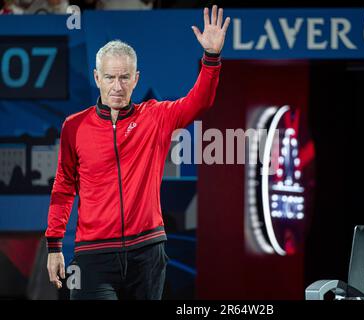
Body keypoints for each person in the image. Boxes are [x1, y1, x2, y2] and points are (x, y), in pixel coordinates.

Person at [46, 5, 230, 300]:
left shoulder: (156, 116)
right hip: (93, 255)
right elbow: (64, 188)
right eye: (109, 78)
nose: (117, 87)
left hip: (147, 253)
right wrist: (54, 246)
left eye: (124, 78)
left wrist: (211, 58)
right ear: (96, 77)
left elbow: (200, 102)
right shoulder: (74, 127)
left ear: (136, 78)